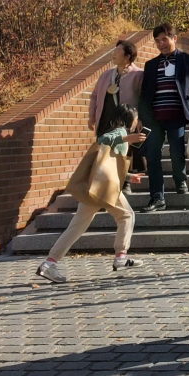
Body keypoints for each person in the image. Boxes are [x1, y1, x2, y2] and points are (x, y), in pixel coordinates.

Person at [36, 104, 146, 283]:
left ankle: (49, 263)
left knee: (77, 227)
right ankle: (121, 256)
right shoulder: (119, 132)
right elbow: (103, 140)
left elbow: (110, 164)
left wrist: (128, 176)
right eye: (136, 118)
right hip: (105, 188)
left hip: (97, 186)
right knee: (127, 215)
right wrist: (127, 138)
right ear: (130, 119)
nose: (137, 121)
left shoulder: (120, 134)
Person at [138, 23, 189, 213]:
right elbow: (144, 94)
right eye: (157, 41)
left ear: (174, 38)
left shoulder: (188, 61)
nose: (161, 44)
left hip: (176, 115)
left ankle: (180, 179)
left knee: (176, 151)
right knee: (152, 157)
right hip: (154, 118)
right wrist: (141, 117)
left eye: (164, 39)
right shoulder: (151, 65)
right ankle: (157, 197)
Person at [89, 40, 145, 193]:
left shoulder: (138, 75)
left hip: (125, 121)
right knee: (104, 150)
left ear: (127, 56)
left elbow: (144, 99)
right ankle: (103, 184)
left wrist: (140, 118)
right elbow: (94, 96)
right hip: (106, 118)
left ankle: (125, 183)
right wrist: (92, 116)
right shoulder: (106, 75)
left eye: (117, 51)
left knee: (125, 150)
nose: (113, 53)